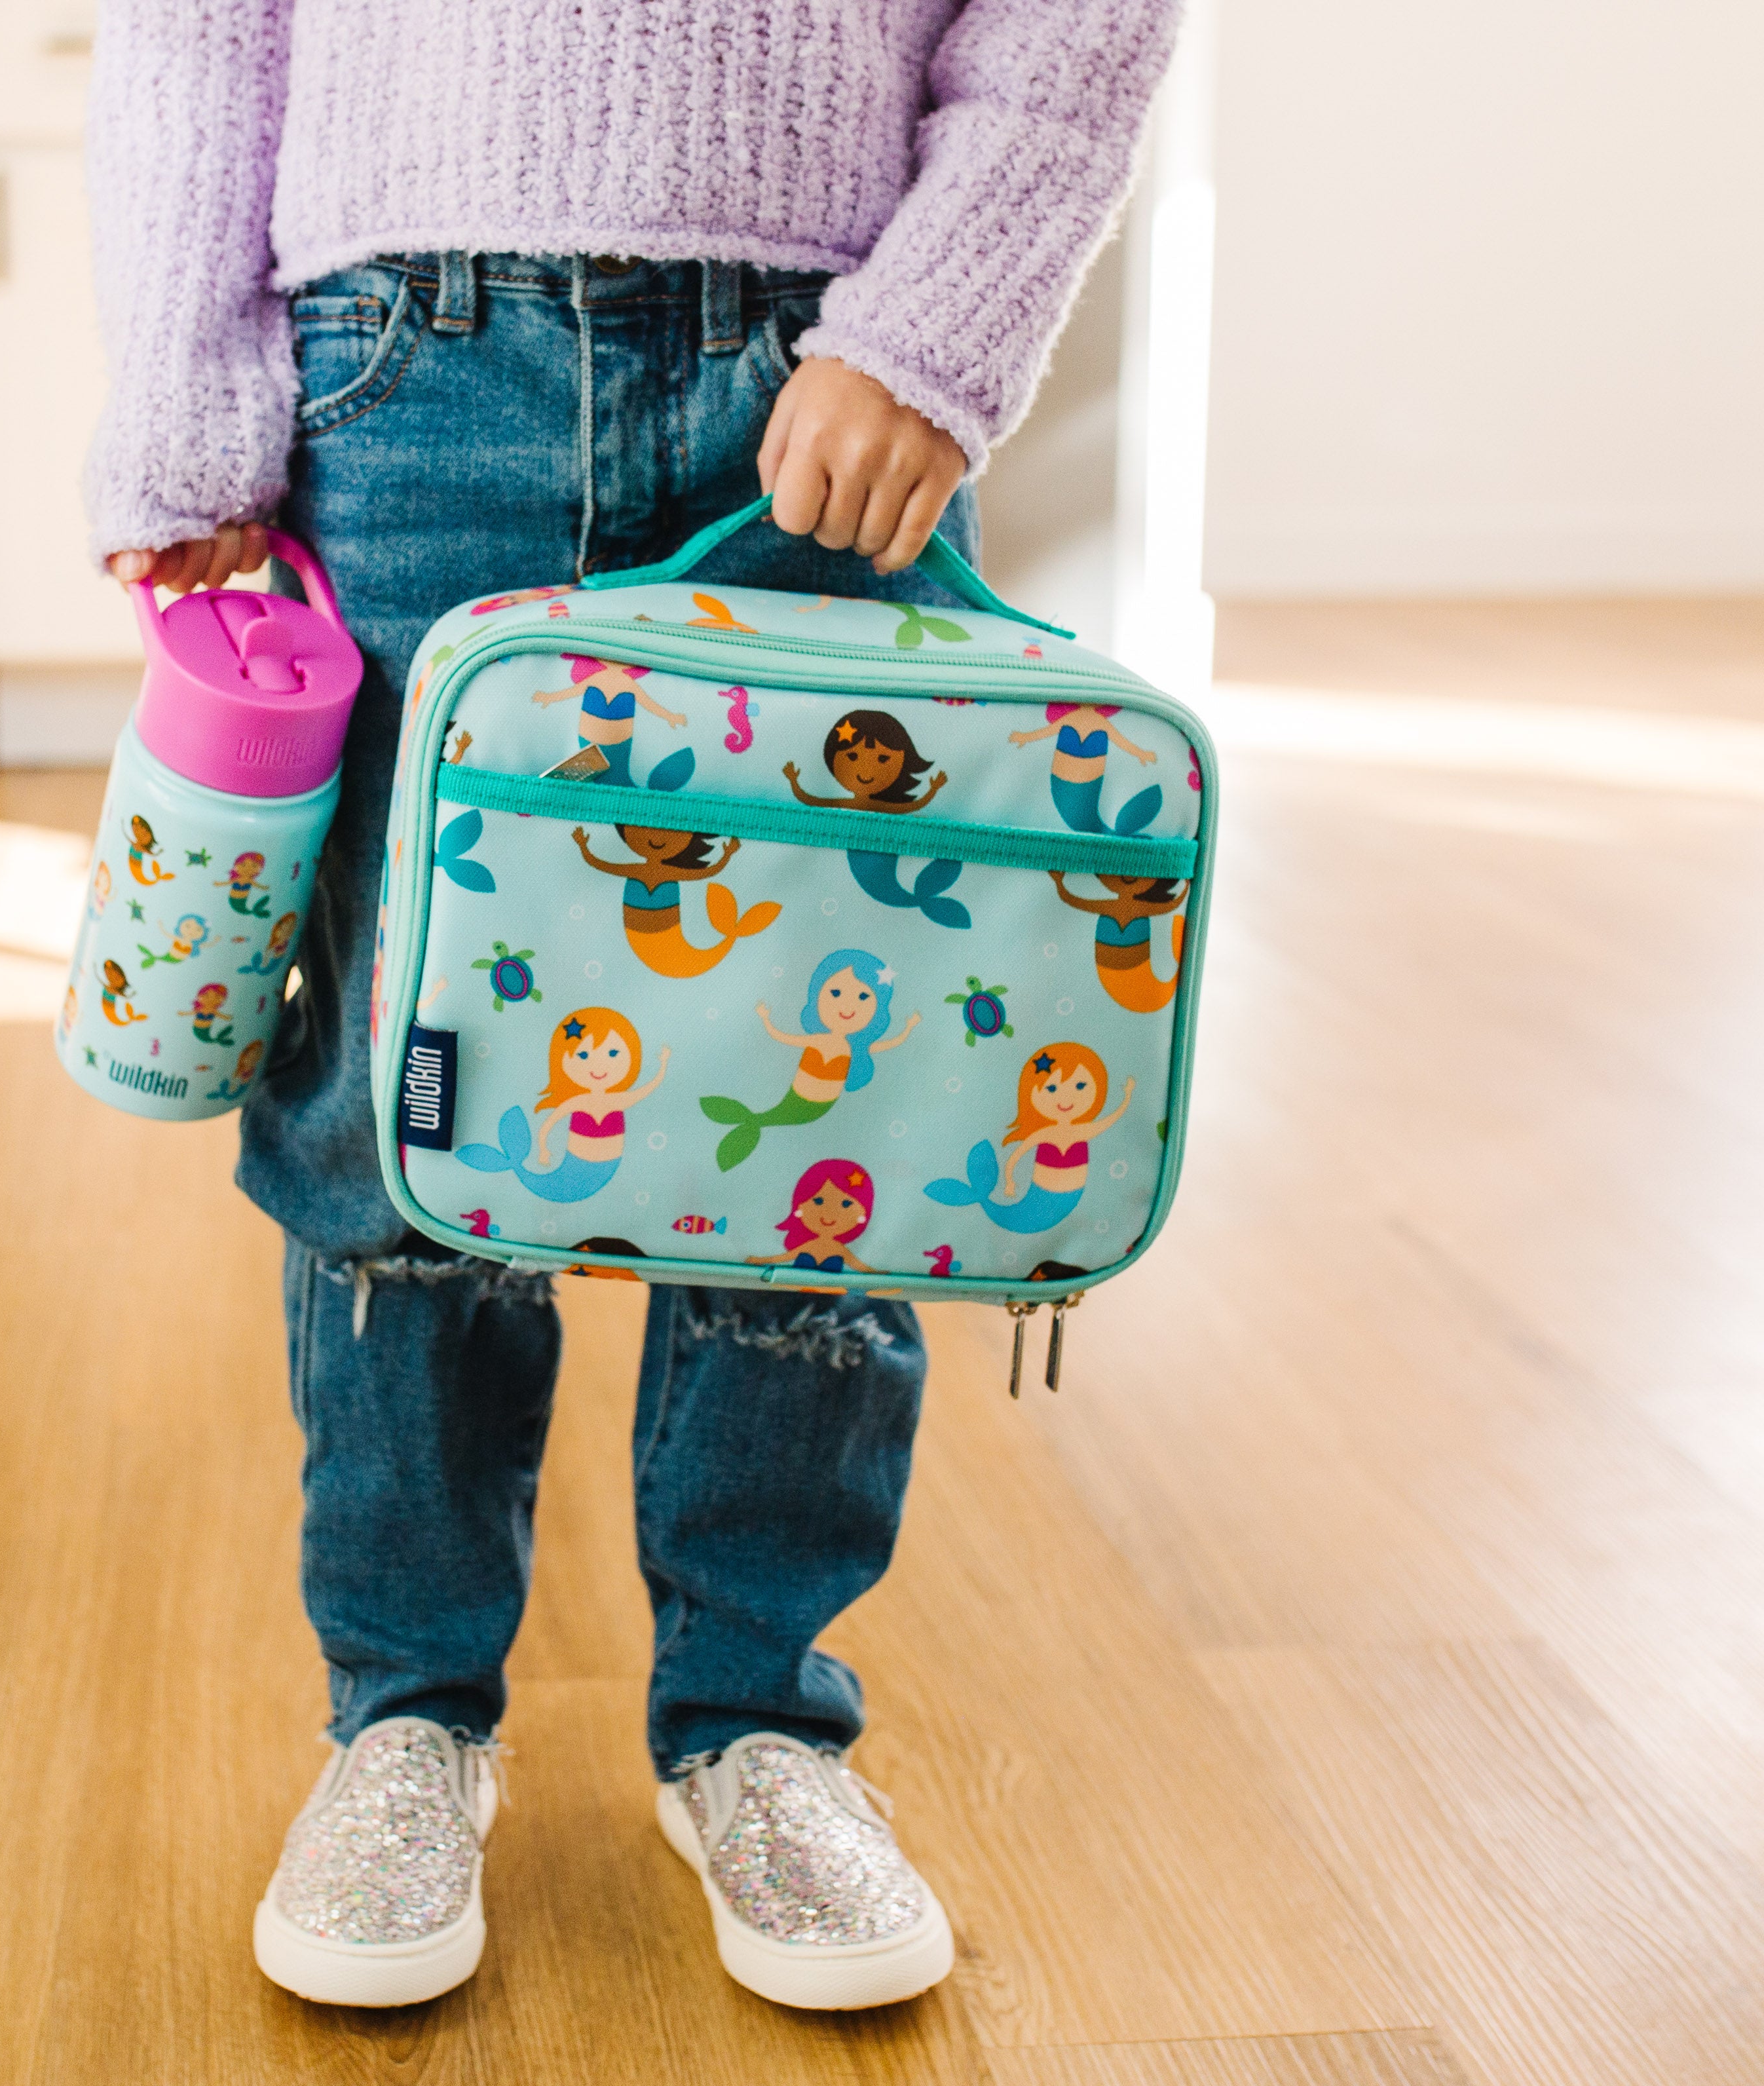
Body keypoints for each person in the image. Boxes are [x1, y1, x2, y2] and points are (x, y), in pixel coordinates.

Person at [85, 0, 1180, 2014]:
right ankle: (403, 1719)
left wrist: (933, 331)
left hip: (825, 382)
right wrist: (181, 395)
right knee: (394, 1111)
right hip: (400, 383)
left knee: (822, 1100)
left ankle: (758, 1723)